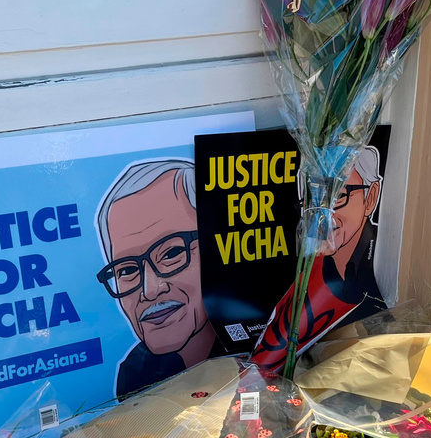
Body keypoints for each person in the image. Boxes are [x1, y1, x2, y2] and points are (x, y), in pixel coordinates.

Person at [251, 146, 387, 372]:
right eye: (314, 200)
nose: (324, 216)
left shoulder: (374, 272)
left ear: (371, 197)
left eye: (339, 196)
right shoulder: (311, 268)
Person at [96, 159, 224, 399]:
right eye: (127, 270)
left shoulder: (255, 352)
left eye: (172, 253)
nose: (150, 290)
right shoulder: (134, 374)